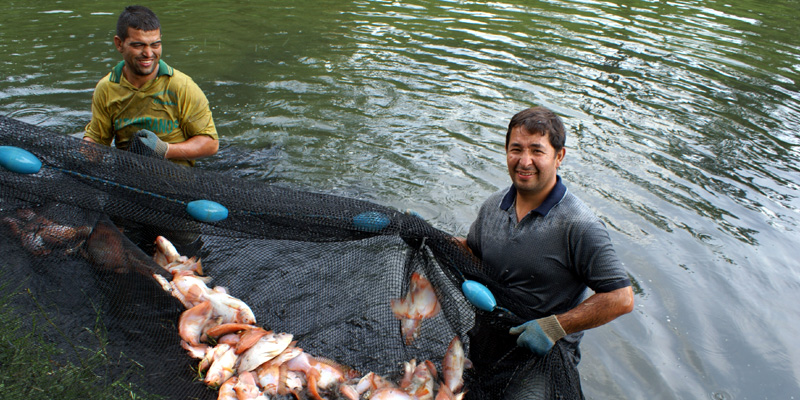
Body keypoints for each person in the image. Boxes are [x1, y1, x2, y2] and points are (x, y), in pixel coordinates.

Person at [458, 106, 634, 398]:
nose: (524, 161)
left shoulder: (579, 225)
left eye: (537, 151)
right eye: (516, 149)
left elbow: (621, 298)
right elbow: (474, 255)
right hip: (488, 344)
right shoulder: (492, 206)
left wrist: (555, 327)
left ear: (559, 156)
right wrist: (426, 236)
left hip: (540, 361)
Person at [83, 5, 218, 167]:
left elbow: (210, 144)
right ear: (119, 44)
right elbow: (97, 141)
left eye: (155, 44)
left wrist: (164, 150)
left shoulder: (182, 86)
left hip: (177, 183)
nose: (148, 53)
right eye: (138, 45)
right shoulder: (106, 88)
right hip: (130, 179)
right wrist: (82, 152)